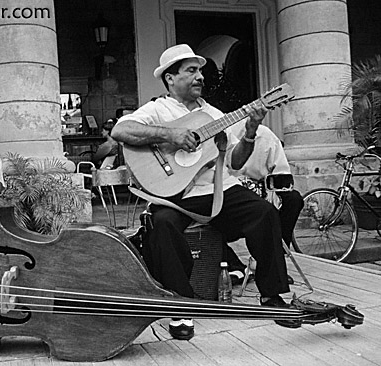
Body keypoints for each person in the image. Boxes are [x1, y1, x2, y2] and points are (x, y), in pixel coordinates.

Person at [111, 44, 295, 340]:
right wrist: (170, 134)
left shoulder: (214, 114)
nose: (200, 77)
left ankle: (272, 297)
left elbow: (235, 162)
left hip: (217, 189)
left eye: (200, 71)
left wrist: (250, 132)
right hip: (173, 193)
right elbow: (121, 131)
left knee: (265, 212)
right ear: (170, 78)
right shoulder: (158, 109)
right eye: (191, 70)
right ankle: (181, 305)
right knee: (163, 224)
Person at [225, 122, 304, 283]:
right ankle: (235, 267)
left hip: (262, 188)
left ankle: (273, 261)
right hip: (230, 191)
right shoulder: (223, 133)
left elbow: (282, 173)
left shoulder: (266, 135)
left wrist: (271, 191)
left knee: (293, 199)